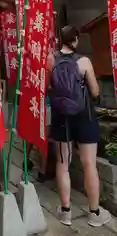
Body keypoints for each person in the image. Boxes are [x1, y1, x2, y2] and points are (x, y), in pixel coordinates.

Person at [48, 25, 111, 228]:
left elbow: (48, 87)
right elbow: (94, 91)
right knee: (89, 163)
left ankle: (65, 211)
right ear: (75, 40)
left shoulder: (51, 59)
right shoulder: (84, 61)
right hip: (84, 116)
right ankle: (94, 213)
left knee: (63, 163)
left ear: (60, 39)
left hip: (61, 117)